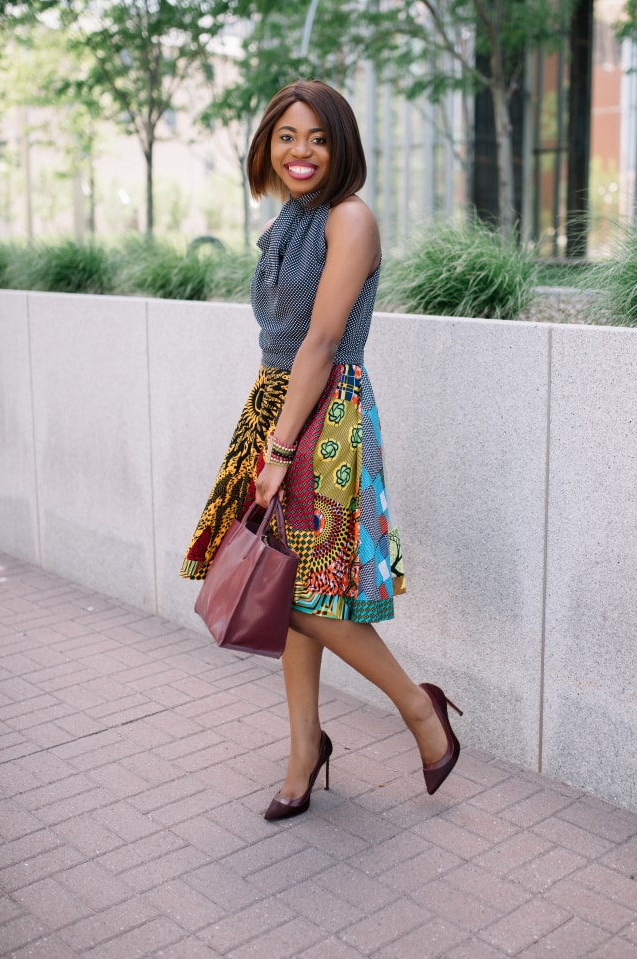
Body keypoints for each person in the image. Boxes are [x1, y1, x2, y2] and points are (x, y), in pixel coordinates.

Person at [181, 79, 462, 820]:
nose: (300, 152)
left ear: (342, 149)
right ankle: (305, 747)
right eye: (286, 137)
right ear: (267, 146)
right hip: (275, 402)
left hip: (325, 414)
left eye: (318, 138)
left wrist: (277, 453)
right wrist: (267, 434)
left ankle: (417, 706)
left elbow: (325, 339)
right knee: (283, 576)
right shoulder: (288, 222)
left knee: (308, 593)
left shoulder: (350, 218)